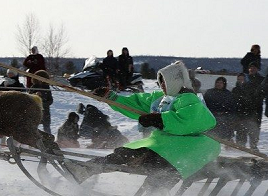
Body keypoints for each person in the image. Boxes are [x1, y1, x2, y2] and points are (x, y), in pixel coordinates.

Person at [64, 61, 220, 188]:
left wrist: (159, 119)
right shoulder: (162, 98)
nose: (162, 86)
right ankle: (85, 170)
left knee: (159, 171)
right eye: (160, 82)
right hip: (163, 146)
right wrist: (110, 97)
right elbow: (136, 103)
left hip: (183, 150)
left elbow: (191, 121)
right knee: (129, 153)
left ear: (175, 81)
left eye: (165, 82)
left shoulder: (188, 98)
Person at [234, 64, 264, 150]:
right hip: (241, 112)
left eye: (254, 67)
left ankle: (253, 146)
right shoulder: (236, 88)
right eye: (250, 67)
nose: (241, 81)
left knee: (254, 129)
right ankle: (240, 147)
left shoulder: (259, 81)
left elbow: (259, 96)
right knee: (241, 130)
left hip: (254, 111)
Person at [203, 77, 234, 141]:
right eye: (217, 82)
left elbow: (231, 108)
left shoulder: (228, 94)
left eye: (221, 83)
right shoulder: (209, 92)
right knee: (210, 137)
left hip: (224, 120)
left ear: (224, 84)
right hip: (211, 118)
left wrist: (227, 115)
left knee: (223, 138)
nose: (219, 84)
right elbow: (204, 105)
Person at [29, 70, 54, 134]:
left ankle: (49, 141)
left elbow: (51, 100)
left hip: (45, 112)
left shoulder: (47, 87)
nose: (40, 80)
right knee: (33, 128)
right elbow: (29, 99)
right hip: (35, 111)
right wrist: (35, 95)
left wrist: (43, 104)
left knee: (47, 128)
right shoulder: (33, 87)